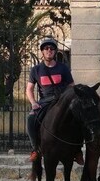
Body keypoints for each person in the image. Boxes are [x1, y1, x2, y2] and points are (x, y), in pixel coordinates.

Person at [26, 36, 83, 164]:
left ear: (55, 51)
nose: (49, 50)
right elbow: (29, 89)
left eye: (52, 48)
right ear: (42, 51)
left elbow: (71, 86)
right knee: (30, 119)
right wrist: (34, 103)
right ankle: (35, 148)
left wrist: (68, 98)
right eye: (46, 48)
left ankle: (77, 150)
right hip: (45, 101)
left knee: (79, 118)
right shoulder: (36, 70)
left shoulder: (63, 68)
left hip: (62, 101)